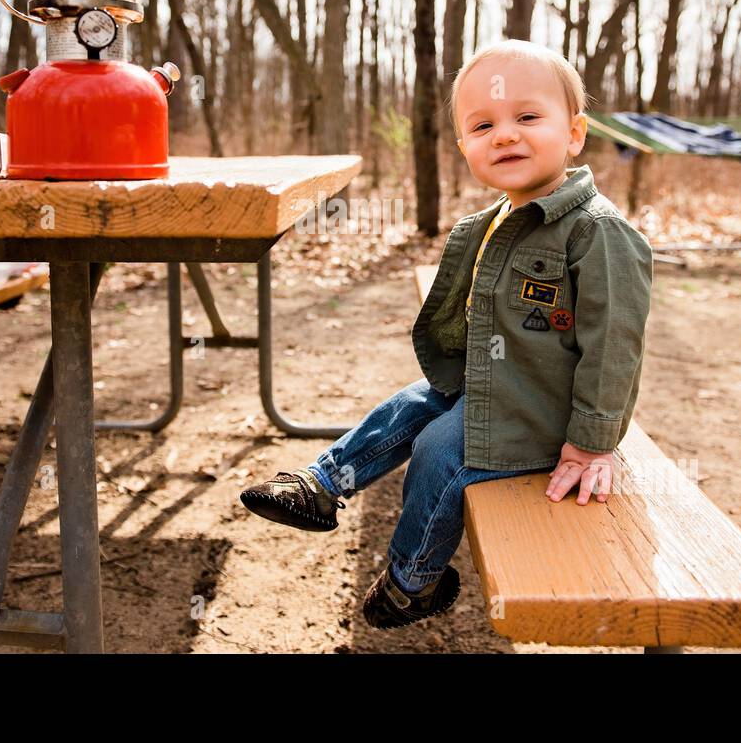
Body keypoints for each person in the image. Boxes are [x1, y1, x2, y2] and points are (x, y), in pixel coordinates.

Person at [240, 39, 654, 629]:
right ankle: (324, 484)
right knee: (412, 403)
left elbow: (616, 349)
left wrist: (591, 442)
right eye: (483, 125)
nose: (505, 135)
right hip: (502, 384)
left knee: (439, 449)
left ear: (575, 133)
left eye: (528, 117)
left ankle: (414, 581)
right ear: (464, 148)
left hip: (545, 413)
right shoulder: (502, 220)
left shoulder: (596, 233)